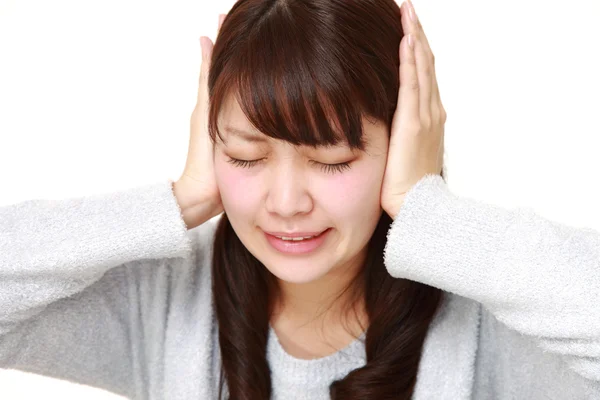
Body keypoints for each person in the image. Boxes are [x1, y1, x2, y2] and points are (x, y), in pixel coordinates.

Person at [1, 0, 599, 399]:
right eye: (245, 156)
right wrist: (178, 201)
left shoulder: (499, 318)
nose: (285, 202)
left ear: (404, 142)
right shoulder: (156, 299)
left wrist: (429, 212)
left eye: (331, 160)